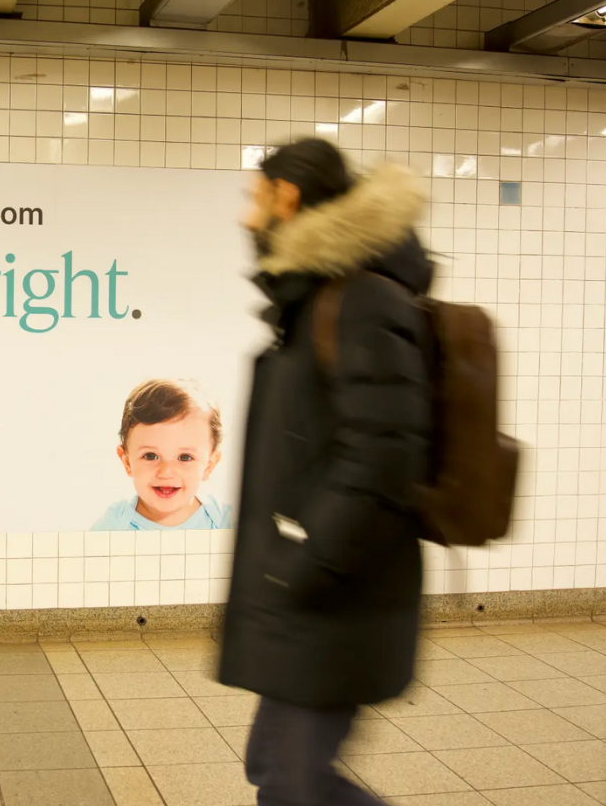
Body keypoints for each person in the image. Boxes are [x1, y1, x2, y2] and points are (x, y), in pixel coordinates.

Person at [219, 138, 433, 805]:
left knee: (294, 783)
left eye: (254, 199)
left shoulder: (360, 300)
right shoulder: (314, 301)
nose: (245, 217)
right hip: (313, 598)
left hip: (339, 596)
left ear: (286, 197)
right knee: (277, 773)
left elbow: (384, 456)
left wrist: (304, 564)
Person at [91, 378, 231, 530]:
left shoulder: (226, 522)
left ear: (209, 465)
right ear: (127, 462)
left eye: (185, 457)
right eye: (150, 456)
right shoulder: (112, 526)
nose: (166, 472)